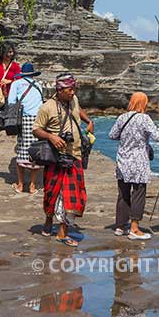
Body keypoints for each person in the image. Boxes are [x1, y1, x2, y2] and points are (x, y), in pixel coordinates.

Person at [33, 73, 94, 247]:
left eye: (74, 88)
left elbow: (77, 110)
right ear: (59, 90)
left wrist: (88, 120)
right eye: (69, 89)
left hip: (74, 156)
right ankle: (48, 220)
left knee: (72, 197)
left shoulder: (73, 100)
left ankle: (62, 233)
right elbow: (36, 129)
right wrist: (51, 137)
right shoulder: (47, 107)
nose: (73, 92)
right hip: (55, 157)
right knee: (51, 193)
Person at [108, 92, 159, 240]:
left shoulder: (122, 117)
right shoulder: (144, 119)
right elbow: (158, 138)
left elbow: (112, 135)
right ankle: (134, 228)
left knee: (123, 194)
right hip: (139, 161)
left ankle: (120, 227)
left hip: (123, 160)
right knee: (138, 194)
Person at [7, 63, 44, 193]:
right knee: (36, 151)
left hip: (24, 119)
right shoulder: (39, 85)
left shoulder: (16, 84)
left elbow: (11, 102)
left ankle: (21, 184)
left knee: (22, 150)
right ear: (33, 74)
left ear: (22, 73)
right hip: (39, 120)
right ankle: (33, 186)